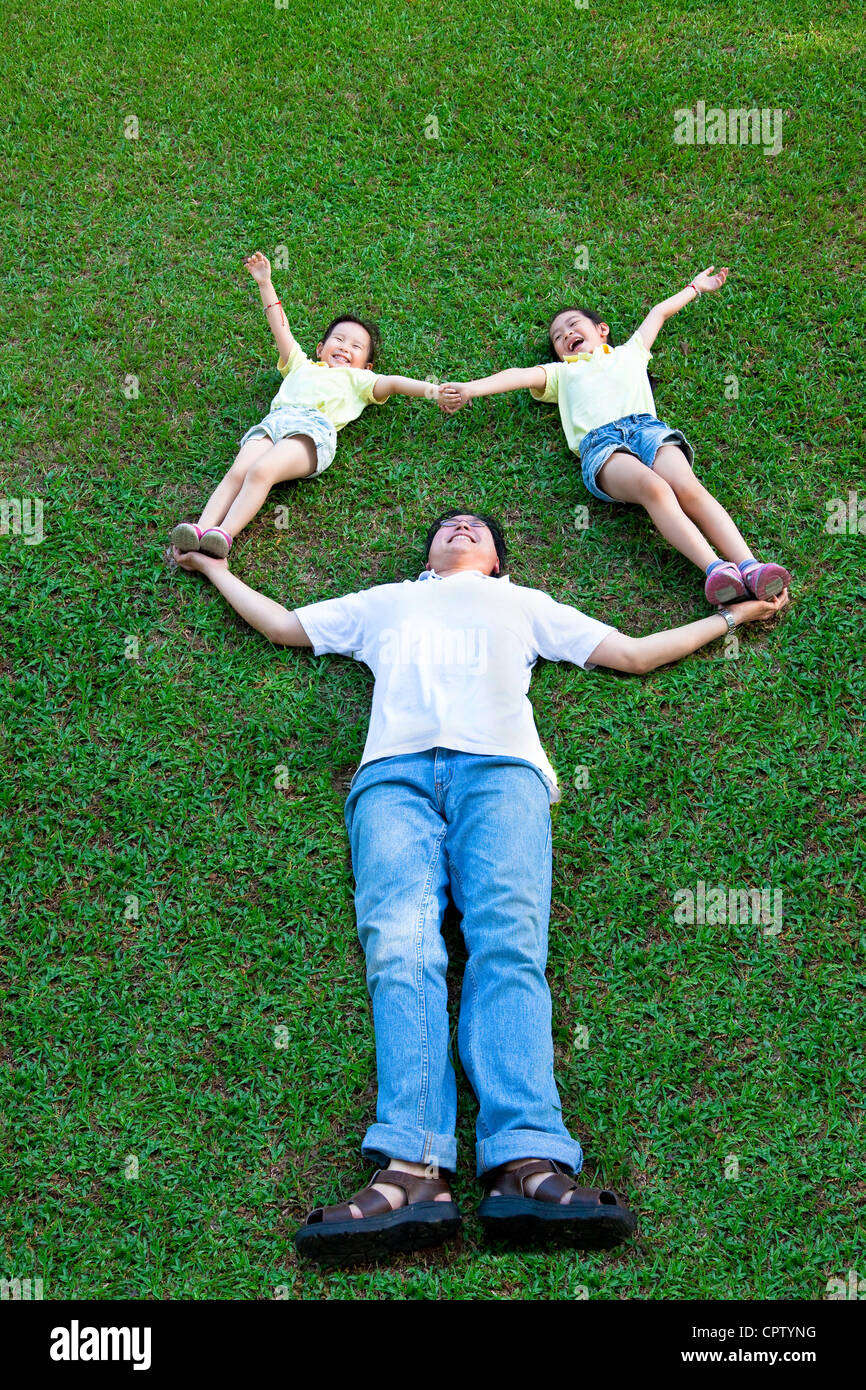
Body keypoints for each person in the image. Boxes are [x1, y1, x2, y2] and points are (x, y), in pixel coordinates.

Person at [169, 511, 789, 1266]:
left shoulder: (522, 602)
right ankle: (414, 1169)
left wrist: (729, 615)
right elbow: (283, 627)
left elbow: (630, 653)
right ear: (429, 556)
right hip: (392, 780)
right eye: (449, 525)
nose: (462, 526)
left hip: (502, 775)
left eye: (477, 528)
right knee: (400, 953)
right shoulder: (388, 600)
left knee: (509, 948)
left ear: (497, 562)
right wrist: (217, 570)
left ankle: (525, 1163)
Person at [439, 267, 792, 607]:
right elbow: (516, 375)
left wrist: (695, 287)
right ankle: (715, 570)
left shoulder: (631, 352)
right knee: (654, 489)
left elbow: (658, 313)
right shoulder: (561, 373)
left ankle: (750, 566)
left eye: (573, 325)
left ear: (602, 329)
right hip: (601, 446)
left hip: (648, 430)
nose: (565, 335)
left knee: (687, 486)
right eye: (558, 337)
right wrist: (470, 389)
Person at [170, 252, 445, 558]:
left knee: (262, 471)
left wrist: (435, 390)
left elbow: (394, 382)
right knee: (239, 470)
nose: (344, 347)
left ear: (367, 366)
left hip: (312, 432)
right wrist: (265, 282)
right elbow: (280, 326)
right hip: (274, 423)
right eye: (338, 339)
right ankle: (200, 529)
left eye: (356, 346)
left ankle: (223, 534)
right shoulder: (300, 364)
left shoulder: (360, 381)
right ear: (320, 348)